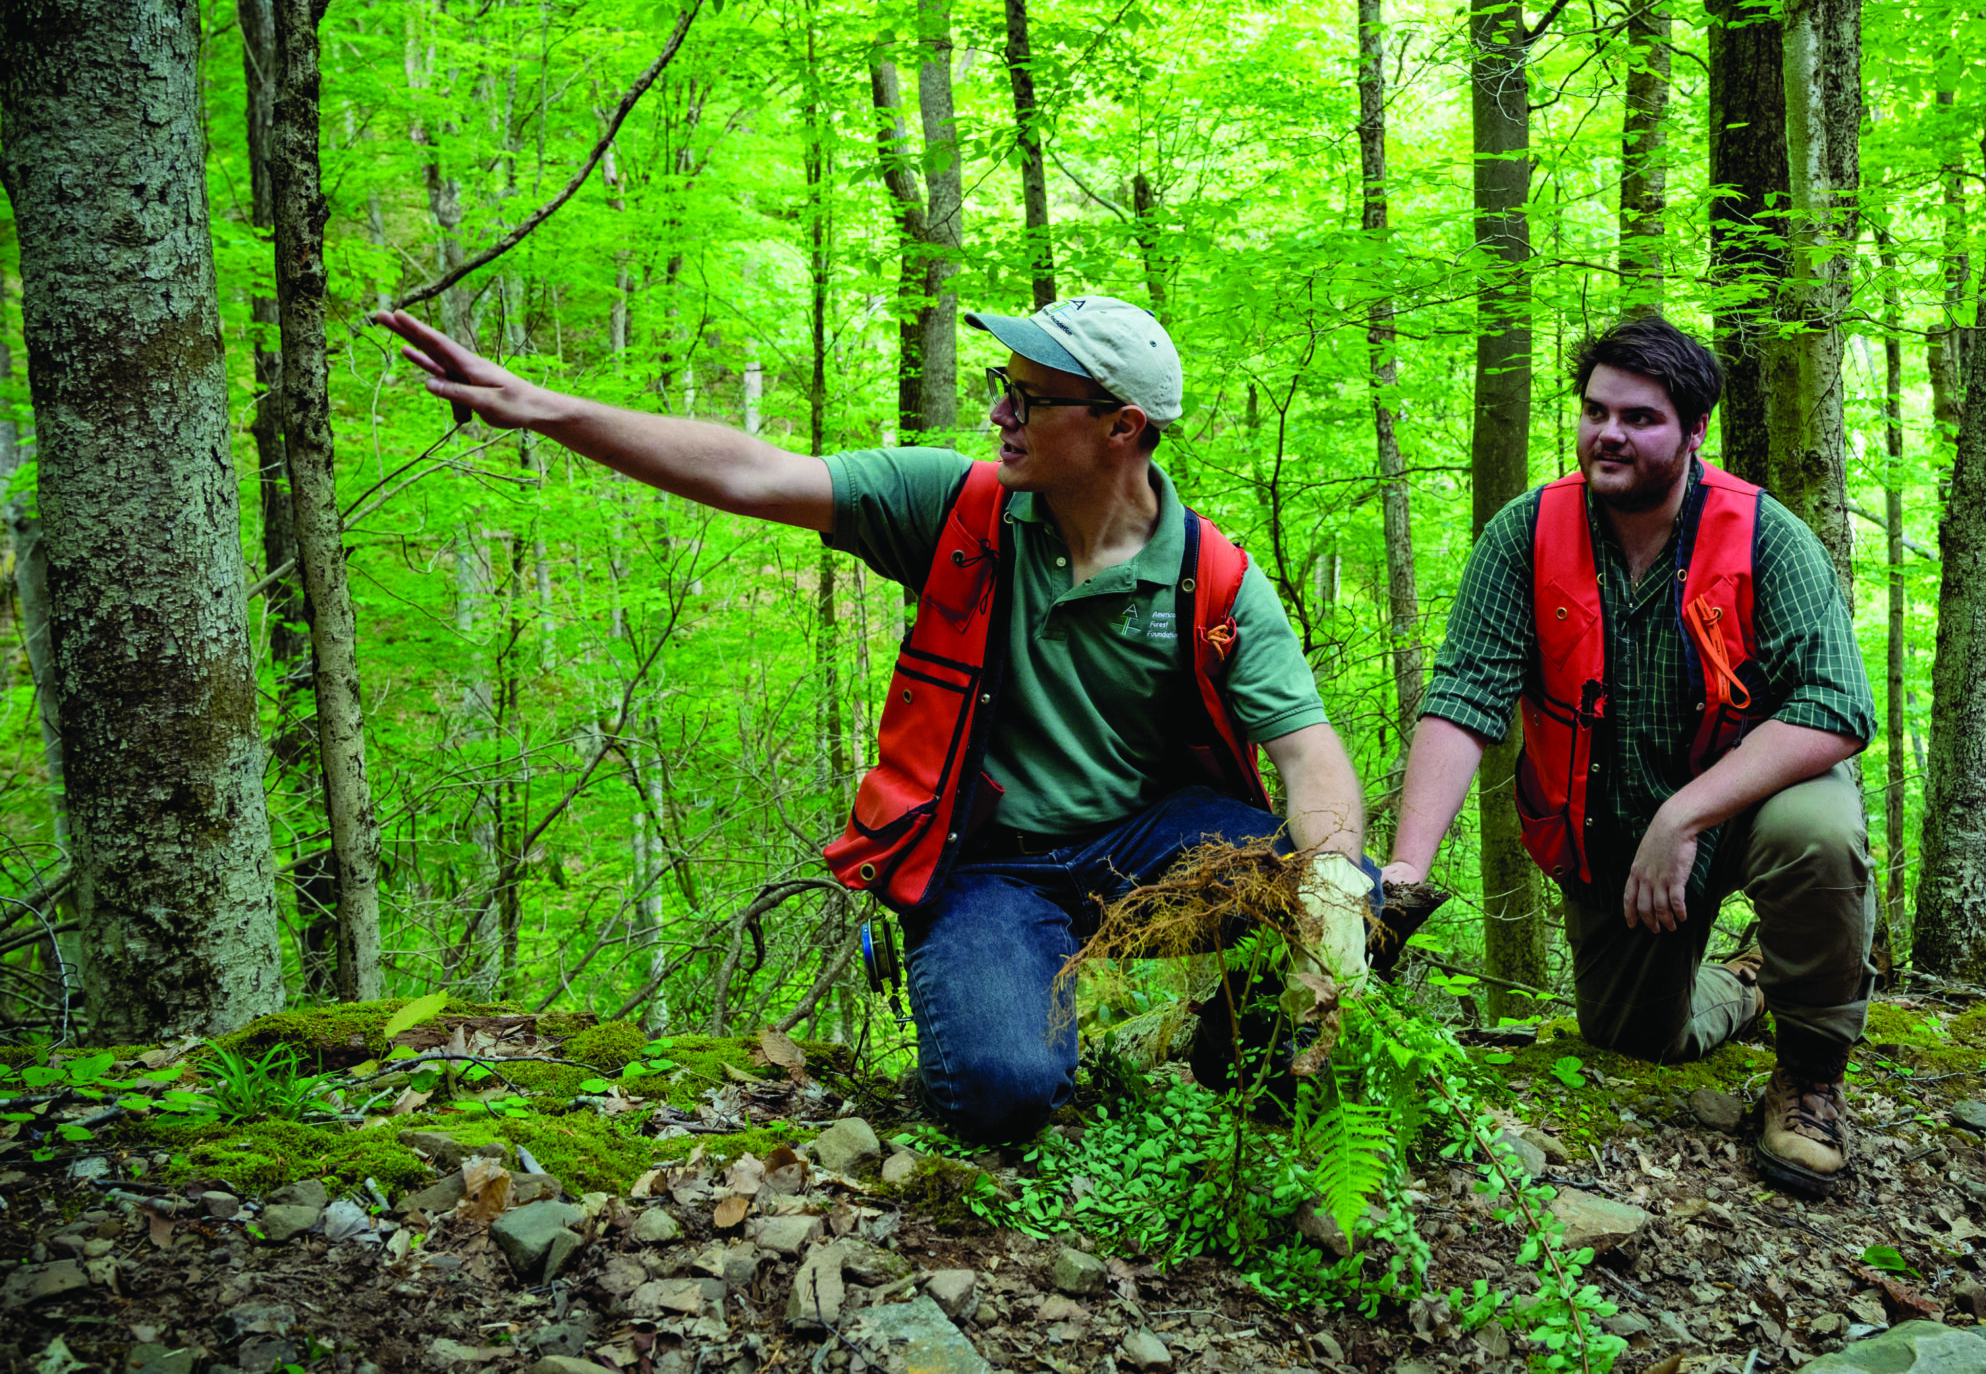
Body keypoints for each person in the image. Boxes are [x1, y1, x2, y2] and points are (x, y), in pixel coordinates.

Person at [373, 294, 1374, 1145]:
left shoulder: (1214, 582)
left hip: (1139, 847)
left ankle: (1242, 1075)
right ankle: (1000, 994)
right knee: (1002, 1092)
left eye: (1029, 397)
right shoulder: (953, 506)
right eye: (1001, 383)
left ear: (1120, 426)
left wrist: (1329, 906)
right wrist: (545, 407)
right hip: (987, 864)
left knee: (1344, 885)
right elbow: (749, 470)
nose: (999, 411)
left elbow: (1308, 753)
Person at [1380, 313, 1877, 1197]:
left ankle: (1810, 1076)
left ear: (1693, 432)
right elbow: (1462, 701)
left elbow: (1838, 708)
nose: (1607, 432)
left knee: (1821, 829)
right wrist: (1405, 873)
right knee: (1635, 1042)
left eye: (1640, 417)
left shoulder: (1766, 535)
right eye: (1594, 410)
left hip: (1743, 807)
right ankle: (1753, 983)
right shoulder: (1525, 536)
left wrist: (1686, 815)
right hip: (1611, 837)